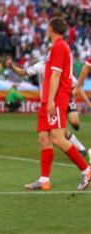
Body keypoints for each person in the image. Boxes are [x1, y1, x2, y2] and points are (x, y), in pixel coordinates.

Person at [18, 17, 90, 191]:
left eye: (47, 27)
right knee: (44, 138)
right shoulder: (55, 48)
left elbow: (56, 76)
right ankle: (44, 179)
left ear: (51, 29)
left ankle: (86, 170)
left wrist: (51, 101)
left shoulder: (59, 47)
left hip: (56, 99)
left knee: (58, 138)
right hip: (48, 99)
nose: (46, 29)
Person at [6, 58, 91, 156]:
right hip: (50, 103)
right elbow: (22, 73)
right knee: (58, 133)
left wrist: (88, 102)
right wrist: (12, 66)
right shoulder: (39, 66)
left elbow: (77, 87)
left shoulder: (64, 68)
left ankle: (81, 154)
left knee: (74, 122)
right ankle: (81, 149)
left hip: (65, 99)